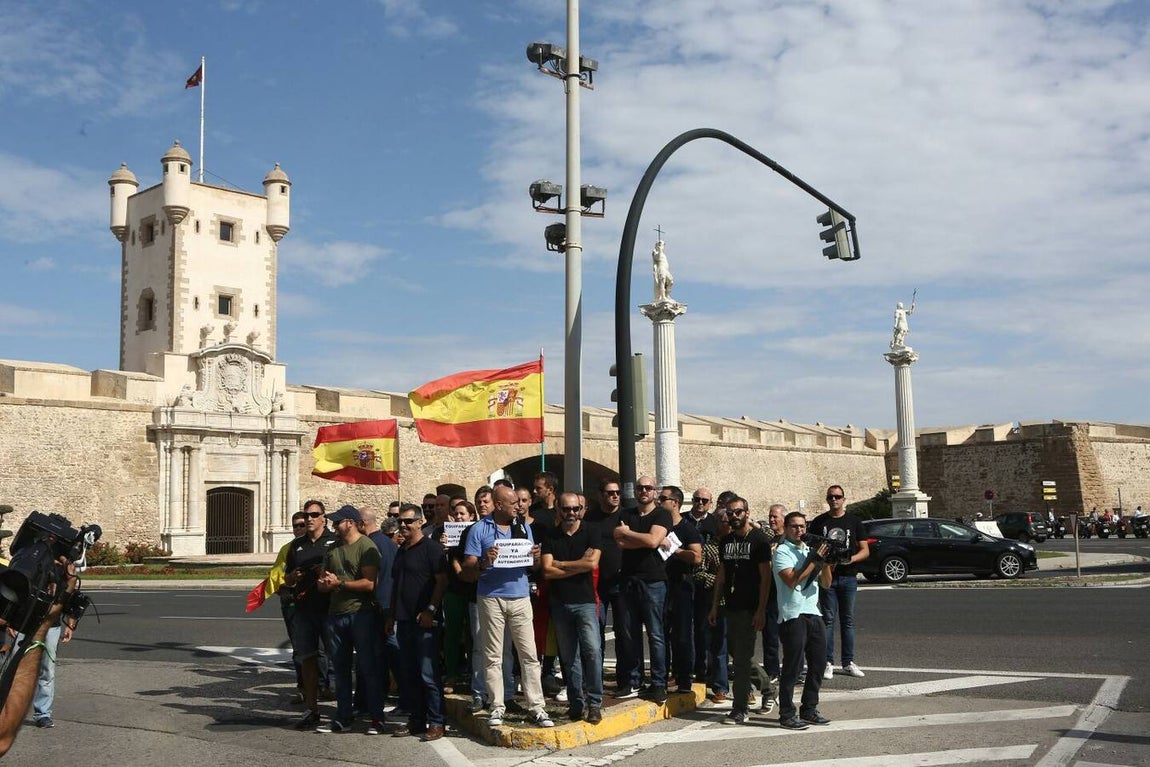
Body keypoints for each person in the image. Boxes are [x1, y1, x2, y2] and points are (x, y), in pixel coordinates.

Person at [463, 484, 554, 728]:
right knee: (493, 655)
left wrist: (535, 556)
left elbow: (533, 566)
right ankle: (497, 706)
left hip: (520, 596)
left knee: (529, 654)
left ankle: (537, 707)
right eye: (513, 503)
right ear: (499, 505)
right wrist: (485, 561)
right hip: (491, 597)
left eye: (519, 502)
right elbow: (468, 566)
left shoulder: (523, 527)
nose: (518, 506)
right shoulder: (479, 529)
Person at [315, 504, 384, 734]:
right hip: (336, 614)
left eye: (338, 522)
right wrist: (324, 584)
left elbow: (370, 583)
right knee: (341, 669)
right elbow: (322, 581)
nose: (334, 525)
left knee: (368, 668)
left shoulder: (367, 547)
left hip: (361, 614)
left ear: (351, 523)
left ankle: (377, 717)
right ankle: (343, 716)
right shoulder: (333, 548)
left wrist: (340, 584)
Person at [0, 556, 78, 757]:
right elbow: (15, 590)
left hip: (51, 626)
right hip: (24, 624)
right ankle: (6, 710)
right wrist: (10, 622)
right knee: (15, 669)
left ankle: (43, 713)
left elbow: (71, 596)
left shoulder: (63, 568)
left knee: (46, 670)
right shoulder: (30, 563)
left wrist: (71, 621)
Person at [540, 492, 603, 724]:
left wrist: (562, 564)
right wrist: (579, 565)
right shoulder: (551, 535)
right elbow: (547, 571)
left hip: (585, 602)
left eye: (576, 509)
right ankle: (576, 704)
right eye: (566, 509)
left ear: (581, 509)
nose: (571, 513)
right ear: (558, 509)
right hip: (560, 603)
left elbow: (592, 563)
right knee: (569, 658)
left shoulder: (592, 531)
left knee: (593, 652)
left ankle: (594, 704)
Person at [388, 504, 448, 742]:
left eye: (408, 521)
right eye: (400, 521)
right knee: (409, 673)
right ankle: (416, 720)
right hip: (403, 621)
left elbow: (441, 581)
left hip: (424, 622)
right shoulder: (402, 550)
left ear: (420, 522)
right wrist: (391, 616)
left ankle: (437, 721)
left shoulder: (432, 549)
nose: (403, 525)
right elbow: (396, 585)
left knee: (428, 674)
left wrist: (430, 610)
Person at [709, 496, 772, 725]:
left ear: (747, 512)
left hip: (750, 607)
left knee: (741, 661)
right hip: (731, 606)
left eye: (738, 512)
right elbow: (722, 575)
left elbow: (766, 578)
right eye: (730, 513)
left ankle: (740, 708)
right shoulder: (726, 542)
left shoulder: (759, 540)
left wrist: (761, 610)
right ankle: (768, 689)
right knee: (739, 656)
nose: (734, 516)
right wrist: (714, 606)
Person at [613, 475, 671, 703]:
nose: (644, 491)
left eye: (648, 487)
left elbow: (652, 542)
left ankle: (659, 684)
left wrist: (630, 534)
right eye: (640, 488)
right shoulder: (626, 514)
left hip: (653, 581)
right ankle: (635, 681)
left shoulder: (662, 515)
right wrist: (647, 539)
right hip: (629, 579)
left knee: (655, 634)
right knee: (630, 634)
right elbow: (619, 541)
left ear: (655, 491)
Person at [773, 511, 833, 730]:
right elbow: (792, 580)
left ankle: (809, 708)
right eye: (794, 526)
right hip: (793, 614)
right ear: (786, 528)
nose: (799, 530)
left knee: (818, 663)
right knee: (793, 666)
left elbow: (826, 584)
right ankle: (786, 714)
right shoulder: (782, 552)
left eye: (802, 526)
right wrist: (814, 560)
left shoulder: (809, 550)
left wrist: (825, 562)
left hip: (813, 611)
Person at [283, 499, 339, 730]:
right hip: (304, 609)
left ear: (324, 517)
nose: (309, 519)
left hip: (330, 608)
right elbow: (287, 578)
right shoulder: (296, 545)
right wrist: (293, 577)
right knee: (307, 658)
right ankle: (312, 709)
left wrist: (324, 573)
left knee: (338, 657)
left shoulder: (335, 542)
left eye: (314, 515)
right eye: (306, 515)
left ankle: (343, 709)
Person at [809, 485, 869, 680]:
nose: (834, 500)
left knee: (847, 621)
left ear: (844, 499)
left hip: (848, 576)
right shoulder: (819, 522)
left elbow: (865, 550)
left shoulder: (854, 522)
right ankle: (827, 662)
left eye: (837, 496)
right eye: (830, 497)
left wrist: (850, 560)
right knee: (828, 620)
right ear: (827, 500)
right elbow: (811, 549)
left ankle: (848, 662)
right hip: (827, 577)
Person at [659, 485, 703, 695]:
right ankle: (665, 675)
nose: (659, 502)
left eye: (663, 499)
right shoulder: (658, 526)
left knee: (682, 633)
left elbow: (697, 557)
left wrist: (675, 550)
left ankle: (684, 678)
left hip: (681, 585)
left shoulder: (687, 528)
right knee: (661, 633)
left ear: (675, 503)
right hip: (660, 584)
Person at [357, 507, 398, 722]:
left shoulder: (370, 544)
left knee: (375, 657)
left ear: (362, 523)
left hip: (377, 606)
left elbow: (375, 578)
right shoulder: (387, 542)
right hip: (388, 605)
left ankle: (371, 703)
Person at [760, 504, 787, 687]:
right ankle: (772, 670)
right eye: (770, 516)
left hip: (786, 593)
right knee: (770, 635)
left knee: (790, 636)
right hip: (770, 593)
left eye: (775, 517)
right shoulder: (768, 540)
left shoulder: (789, 540)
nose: (771, 520)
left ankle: (794, 670)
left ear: (783, 519)